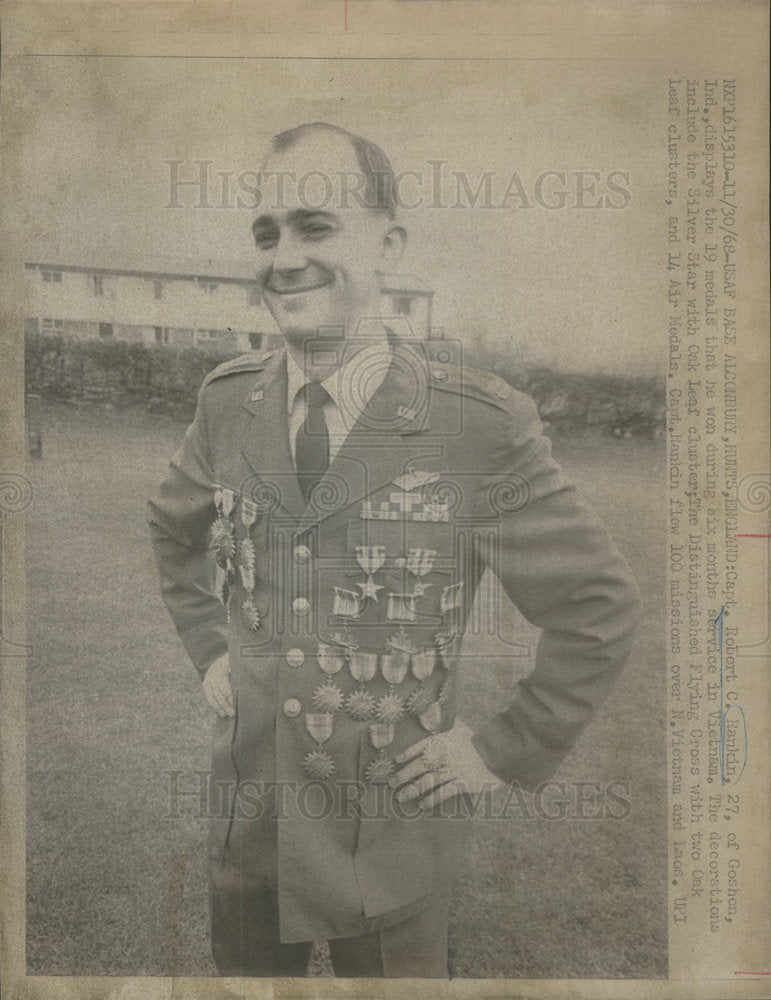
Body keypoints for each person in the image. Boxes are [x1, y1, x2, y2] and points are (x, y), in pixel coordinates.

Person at [148, 122, 641, 978]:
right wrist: (206, 651)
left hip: (392, 839)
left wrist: (498, 748)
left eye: (315, 225)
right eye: (265, 234)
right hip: (251, 831)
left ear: (389, 243)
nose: (282, 257)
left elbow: (596, 608)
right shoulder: (227, 402)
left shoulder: (474, 425)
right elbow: (172, 530)